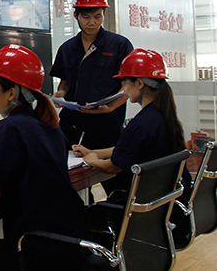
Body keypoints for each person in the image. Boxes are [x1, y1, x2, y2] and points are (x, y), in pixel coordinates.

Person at [0, 44, 88, 271]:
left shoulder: (9, 128)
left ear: (11, 93)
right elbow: (33, 170)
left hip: (35, 251)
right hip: (68, 245)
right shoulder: (49, 124)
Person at [72, 48, 191, 202]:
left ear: (139, 83)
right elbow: (127, 148)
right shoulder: (162, 117)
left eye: (125, 82)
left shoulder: (141, 125)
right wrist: (93, 152)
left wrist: (92, 160)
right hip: (166, 203)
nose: (124, 89)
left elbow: (112, 167)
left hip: (141, 206)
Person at [51, 0, 134, 151]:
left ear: (103, 14)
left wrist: (111, 106)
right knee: (66, 165)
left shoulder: (120, 45)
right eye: (86, 17)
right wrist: (61, 93)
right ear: (76, 15)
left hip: (106, 126)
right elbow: (65, 82)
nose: (92, 23)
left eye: (97, 16)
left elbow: (128, 85)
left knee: (106, 166)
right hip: (71, 126)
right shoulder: (67, 48)